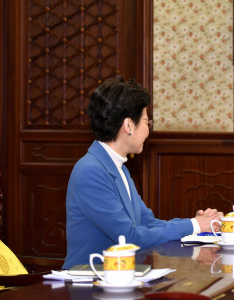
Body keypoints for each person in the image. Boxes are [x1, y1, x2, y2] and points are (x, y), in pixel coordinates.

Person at [63, 77, 223, 268]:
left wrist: (198, 223)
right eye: (147, 121)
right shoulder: (91, 172)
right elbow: (128, 237)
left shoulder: (116, 166)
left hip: (122, 275)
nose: (148, 129)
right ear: (129, 125)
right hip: (91, 282)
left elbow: (147, 223)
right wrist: (195, 225)